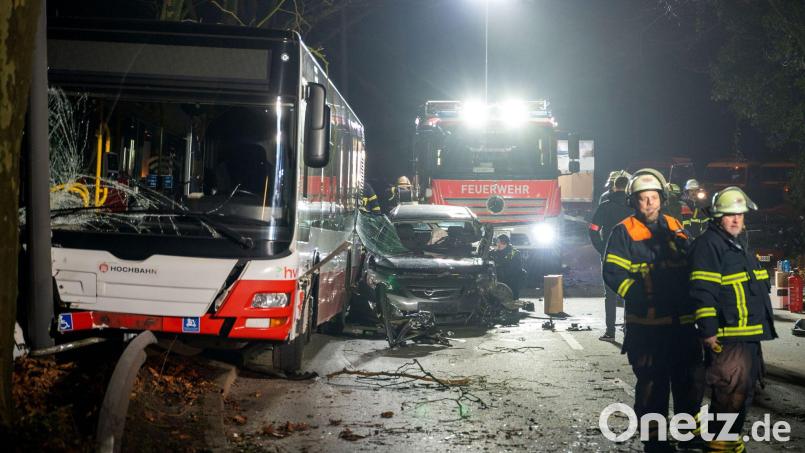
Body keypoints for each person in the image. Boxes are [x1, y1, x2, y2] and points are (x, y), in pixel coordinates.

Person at [602, 169, 704, 453]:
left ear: (662, 199)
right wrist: (639, 295)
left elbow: (692, 263)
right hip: (646, 327)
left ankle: (688, 434)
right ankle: (655, 441)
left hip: (682, 325)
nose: (649, 204)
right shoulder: (623, 231)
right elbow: (612, 272)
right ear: (633, 202)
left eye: (653, 198)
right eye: (643, 199)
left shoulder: (675, 226)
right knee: (652, 386)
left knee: (690, 382)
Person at [689, 186, 776, 453]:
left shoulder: (737, 245)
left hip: (747, 335)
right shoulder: (710, 245)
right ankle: (721, 446)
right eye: (729, 215)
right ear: (717, 217)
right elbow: (703, 290)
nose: (736, 219)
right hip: (728, 337)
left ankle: (725, 443)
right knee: (730, 396)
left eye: (739, 214)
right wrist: (709, 331)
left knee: (740, 396)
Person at [589, 175, 633, 341]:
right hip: (631, 256)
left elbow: (593, 229)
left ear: (614, 187)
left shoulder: (605, 207)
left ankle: (610, 332)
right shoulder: (635, 207)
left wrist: (602, 248)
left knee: (610, 294)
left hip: (610, 256)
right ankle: (629, 330)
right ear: (628, 188)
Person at [490, 234, 524, 300]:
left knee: (512, 300)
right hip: (497, 281)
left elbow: (515, 268)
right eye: (498, 242)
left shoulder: (514, 253)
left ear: (506, 243)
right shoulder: (493, 253)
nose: (499, 244)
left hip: (511, 281)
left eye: (501, 242)